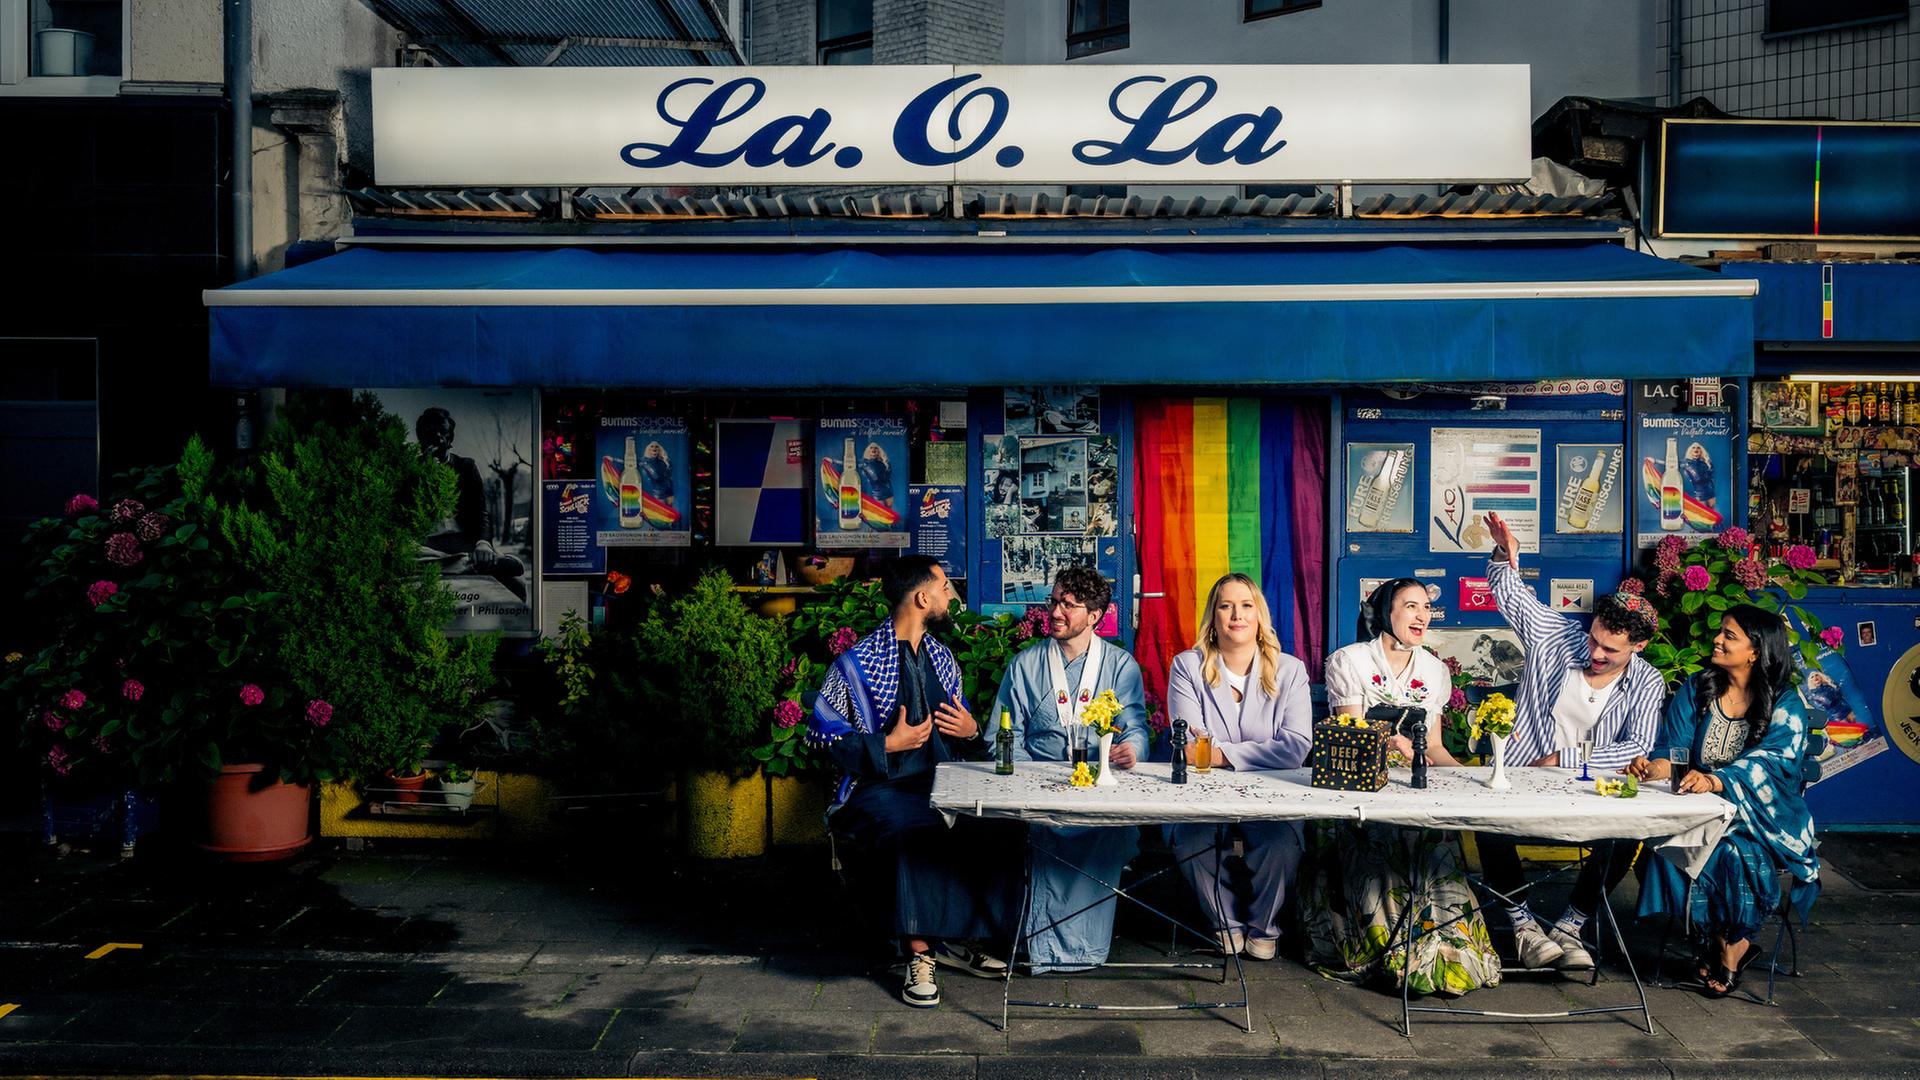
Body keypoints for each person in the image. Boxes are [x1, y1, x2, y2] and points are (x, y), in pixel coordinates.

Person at [807, 555, 1016, 1008]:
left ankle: (959, 940)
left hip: (944, 783)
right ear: (922, 598)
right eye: (944, 588)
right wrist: (887, 744)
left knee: (994, 823)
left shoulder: (942, 659)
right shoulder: (856, 663)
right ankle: (920, 954)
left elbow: (962, 732)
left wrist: (971, 731)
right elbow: (822, 738)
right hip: (877, 790)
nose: (949, 597)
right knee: (914, 832)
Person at [1476, 510, 1665, 971]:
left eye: (1611, 650)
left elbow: (1636, 746)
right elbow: (1512, 596)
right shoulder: (1557, 636)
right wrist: (1504, 553)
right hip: (1521, 776)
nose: (1596, 653)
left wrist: (1566, 756)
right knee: (1486, 821)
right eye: (1594, 639)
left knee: (1626, 834)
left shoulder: (1648, 682)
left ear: (1638, 647)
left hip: (1589, 788)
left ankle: (1570, 926)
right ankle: (1523, 926)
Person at [1298, 579, 1503, 996]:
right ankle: (1387, 944)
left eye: (1425, 607)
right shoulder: (1350, 661)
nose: (1422, 615)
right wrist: (1390, 743)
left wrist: (1474, 778)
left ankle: (1446, 943)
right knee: (1385, 833)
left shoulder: (1434, 670)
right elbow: (1350, 736)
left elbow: (1436, 748)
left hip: (1414, 781)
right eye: (1410, 606)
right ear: (1383, 613)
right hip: (1361, 782)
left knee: (1435, 834)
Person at [1629, 606, 1820, 998]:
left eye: (1729, 636)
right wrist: (1653, 767)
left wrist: (1717, 780)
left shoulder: (1785, 702)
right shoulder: (1699, 688)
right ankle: (1717, 940)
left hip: (1764, 816)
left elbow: (1775, 761)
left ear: (1756, 651)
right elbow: (1674, 749)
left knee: (1730, 851)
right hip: (1699, 810)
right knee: (1665, 843)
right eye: (1721, 632)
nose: (1717, 639)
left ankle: (1733, 946)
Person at [991, 567, 1149, 973]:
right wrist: (1031, 781)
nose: (1056, 612)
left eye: (1069, 605)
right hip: (1039, 785)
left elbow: (1134, 726)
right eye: (1054, 601)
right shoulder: (1025, 665)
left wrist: (1131, 750)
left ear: (1094, 615)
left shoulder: (1120, 665)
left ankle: (1086, 947)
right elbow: (1002, 734)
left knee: (1108, 835)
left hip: (1099, 789)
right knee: (1037, 833)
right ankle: (1041, 946)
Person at [1164, 573, 1314, 959]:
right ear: (1213, 616)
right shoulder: (1188, 666)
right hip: (1203, 794)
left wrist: (1222, 755)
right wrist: (1258, 750)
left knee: (1281, 843)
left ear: (1259, 615)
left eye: (1246, 605)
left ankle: (1264, 926)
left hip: (1273, 794)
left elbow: (1296, 747)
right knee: (1189, 840)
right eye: (1226, 606)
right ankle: (1225, 922)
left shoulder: (1290, 670)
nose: (1237, 615)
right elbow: (1190, 745)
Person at [415, 407, 525, 598]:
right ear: (421, 439)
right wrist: (423, 475)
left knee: (518, 585)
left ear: (451, 439)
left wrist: (483, 543)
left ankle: (462, 562)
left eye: (444, 433)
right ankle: (469, 564)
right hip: (428, 545)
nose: (439, 438)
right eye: (431, 433)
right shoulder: (411, 470)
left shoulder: (466, 467)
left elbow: (481, 512)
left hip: (464, 541)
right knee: (413, 556)